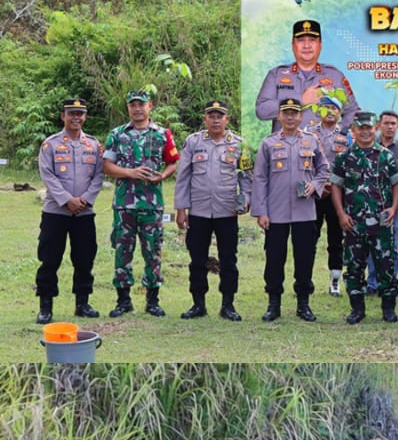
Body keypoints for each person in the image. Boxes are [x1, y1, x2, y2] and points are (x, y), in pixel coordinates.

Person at [250, 96, 328, 323]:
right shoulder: (268, 143)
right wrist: (261, 211)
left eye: (295, 113)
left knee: (305, 257)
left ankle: (303, 303)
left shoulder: (312, 141)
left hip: (305, 211)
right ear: (279, 116)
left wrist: (315, 185)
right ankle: (274, 303)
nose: (291, 117)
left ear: (301, 116)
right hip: (276, 211)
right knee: (274, 257)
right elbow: (260, 179)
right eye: (286, 113)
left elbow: (324, 169)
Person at [102, 89, 179, 318]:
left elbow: (173, 162)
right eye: (132, 104)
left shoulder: (162, 134)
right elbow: (107, 165)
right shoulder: (117, 134)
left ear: (150, 106)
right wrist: (131, 172)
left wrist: (162, 176)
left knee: (153, 252)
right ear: (128, 108)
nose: (137, 108)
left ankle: (152, 301)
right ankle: (123, 301)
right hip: (124, 204)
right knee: (122, 251)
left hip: (152, 205)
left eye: (141, 104)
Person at [175, 100, 252, 322]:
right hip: (199, 211)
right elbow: (183, 177)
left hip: (227, 210)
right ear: (205, 119)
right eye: (211, 116)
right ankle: (198, 304)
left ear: (227, 119)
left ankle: (228, 305)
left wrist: (245, 198)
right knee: (197, 259)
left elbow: (246, 176)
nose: (216, 120)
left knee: (229, 259)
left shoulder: (239, 144)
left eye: (220, 116)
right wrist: (181, 209)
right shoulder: (193, 142)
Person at [35, 97, 104, 325]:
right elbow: (48, 176)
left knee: (84, 259)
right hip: (56, 212)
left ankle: (82, 304)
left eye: (80, 113)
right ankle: (46, 307)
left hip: (84, 213)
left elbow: (98, 176)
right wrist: (66, 200)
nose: (76, 117)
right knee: (49, 259)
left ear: (85, 117)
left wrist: (84, 200)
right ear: (63, 116)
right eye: (71, 113)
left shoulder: (93, 145)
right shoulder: (50, 145)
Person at [330, 110, 398, 324]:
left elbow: (397, 183)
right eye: (361, 128)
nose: (365, 132)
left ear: (375, 129)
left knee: (386, 267)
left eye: (369, 128)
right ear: (354, 130)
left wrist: (394, 208)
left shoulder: (385, 156)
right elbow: (335, 186)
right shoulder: (345, 158)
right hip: (354, 224)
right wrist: (341, 214)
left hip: (381, 223)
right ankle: (357, 309)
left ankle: (388, 309)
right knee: (354, 268)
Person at [255, 19, 358, 137]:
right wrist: (300, 100)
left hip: (324, 152)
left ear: (320, 44)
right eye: (301, 40)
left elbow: (353, 111)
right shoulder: (276, 75)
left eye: (312, 40)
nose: (307, 46)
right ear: (293, 44)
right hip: (286, 151)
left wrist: (338, 133)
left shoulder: (335, 76)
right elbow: (261, 110)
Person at [365, 110, 398, 297]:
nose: (390, 127)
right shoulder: (369, 146)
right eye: (386, 123)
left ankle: (390, 283)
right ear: (378, 126)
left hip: (393, 207)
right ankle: (373, 284)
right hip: (370, 206)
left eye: (393, 123)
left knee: (391, 247)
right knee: (371, 246)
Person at [314, 95, 349, 297]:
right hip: (315, 195)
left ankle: (334, 282)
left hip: (338, 195)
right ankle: (305, 279)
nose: (330, 111)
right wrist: (319, 184)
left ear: (339, 112)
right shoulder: (308, 134)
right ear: (319, 111)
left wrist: (334, 185)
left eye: (334, 108)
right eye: (325, 107)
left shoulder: (347, 136)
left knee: (336, 241)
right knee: (309, 238)